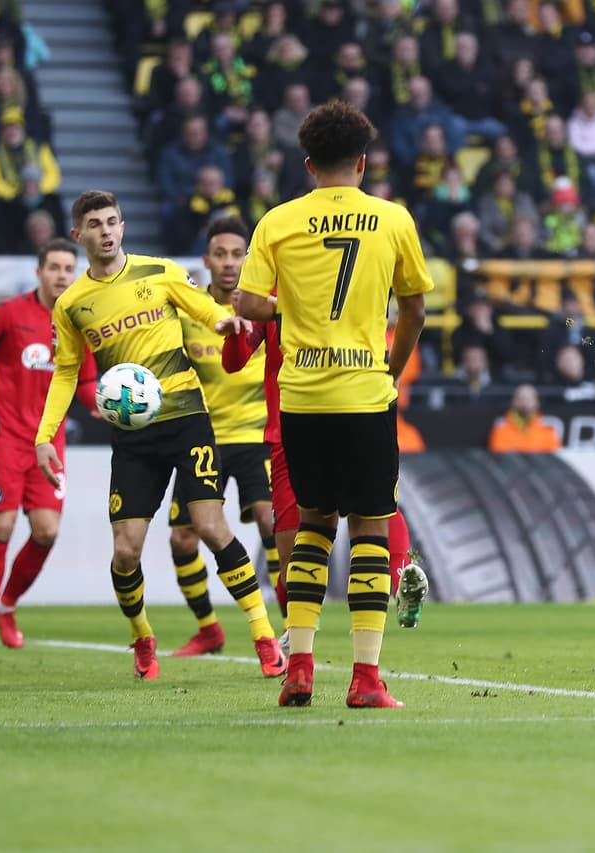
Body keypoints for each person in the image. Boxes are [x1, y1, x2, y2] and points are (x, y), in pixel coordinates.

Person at [33, 190, 285, 681]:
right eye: (95, 224)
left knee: (211, 527)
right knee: (126, 550)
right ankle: (142, 639)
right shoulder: (72, 304)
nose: (105, 231)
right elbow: (66, 372)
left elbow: (203, 309)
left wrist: (226, 321)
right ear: (78, 235)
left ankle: (262, 637)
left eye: (112, 222)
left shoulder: (161, 272)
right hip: (133, 435)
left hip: (188, 420)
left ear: (123, 227)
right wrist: (46, 435)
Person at [235, 101, 433, 709]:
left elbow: (246, 302)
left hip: (300, 397)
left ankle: (299, 668)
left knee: (313, 526)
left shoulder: (278, 222)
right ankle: (366, 680)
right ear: (364, 163)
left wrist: (282, 310)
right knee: (372, 528)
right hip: (364, 393)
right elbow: (415, 311)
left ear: (308, 164)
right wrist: (389, 372)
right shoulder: (393, 219)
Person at [0, 239, 98, 650]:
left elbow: (85, 384)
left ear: (75, 273)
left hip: (48, 444)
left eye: (67, 268)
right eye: (53, 267)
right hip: (6, 439)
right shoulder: (9, 312)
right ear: (39, 272)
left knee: (47, 531)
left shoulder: (76, 323)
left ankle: (6, 606)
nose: (60, 275)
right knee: (1, 524)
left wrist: (101, 405)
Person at [164, 217, 277, 658]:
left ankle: (289, 628)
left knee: (271, 522)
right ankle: (209, 629)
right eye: (221, 254)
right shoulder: (191, 312)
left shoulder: (265, 306)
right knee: (182, 540)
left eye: (237, 254)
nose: (229, 263)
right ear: (207, 260)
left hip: (255, 435)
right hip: (203, 438)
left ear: (247, 259)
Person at [488, 385, 563, 452]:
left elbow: (555, 454)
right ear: (513, 402)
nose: (525, 402)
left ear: (537, 403)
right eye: (521, 398)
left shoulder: (547, 429)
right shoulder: (501, 429)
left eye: (529, 399)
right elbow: (498, 453)